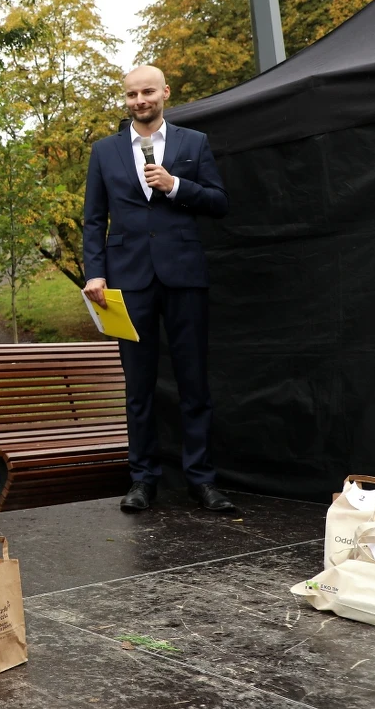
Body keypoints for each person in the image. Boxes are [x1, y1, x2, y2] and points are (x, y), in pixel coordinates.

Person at [81, 65, 232, 515]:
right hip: (128, 280)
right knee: (138, 387)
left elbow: (219, 202)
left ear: (165, 92)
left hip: (184, 275)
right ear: (125, 99)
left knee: (194, 384)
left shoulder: (193, 143)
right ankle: (143, 479)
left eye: (147, 91)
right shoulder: (104, 151)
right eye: (131, 94)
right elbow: (93, 219)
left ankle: (201, 480)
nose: (139, 100)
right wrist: (95, 272)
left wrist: (176, 186)